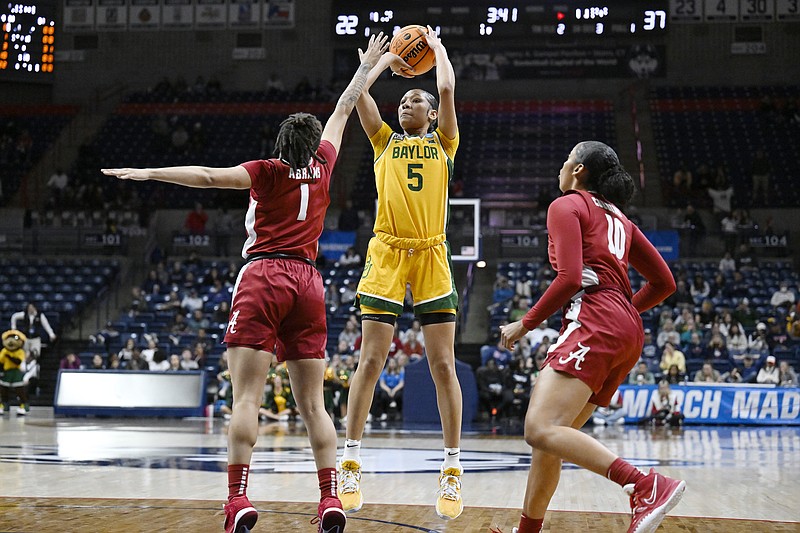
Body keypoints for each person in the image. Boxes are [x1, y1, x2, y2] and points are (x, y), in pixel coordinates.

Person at [101, 32, 388, 533]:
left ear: (281, 145)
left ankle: (237, 499)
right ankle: (330, 499)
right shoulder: (323, 167)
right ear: (312, 143)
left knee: (247, 400)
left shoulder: (267, 171)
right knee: (315, 405)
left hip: (264, 275)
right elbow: (344, 109)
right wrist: (369, 66)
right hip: (309, 283)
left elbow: (208, 178)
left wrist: (147, 174)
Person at [494, 141, 683, 533]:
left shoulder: (566, 205)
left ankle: (645, 485)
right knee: (553, 438)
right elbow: (664, 283)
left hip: (595, 318)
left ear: (578, 170)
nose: (561, 166)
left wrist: (524, 323)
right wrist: (623, 306)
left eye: (565, 160)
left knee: (539, 428)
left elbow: (570, 278)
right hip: (626, 326)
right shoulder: (621, 219)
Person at [336, 27, 466, 520]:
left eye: (415, 99)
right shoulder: (383, 141)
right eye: (404, 100)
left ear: (431, 114)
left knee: (443, 367)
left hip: (432, 254)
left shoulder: (445, 143)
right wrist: (377, 63)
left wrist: (438, 51)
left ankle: (452, 470)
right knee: (370, 361)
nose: (405, 104)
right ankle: (350, 459)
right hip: (387, 252)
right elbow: (357, 97)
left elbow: (448, 89)